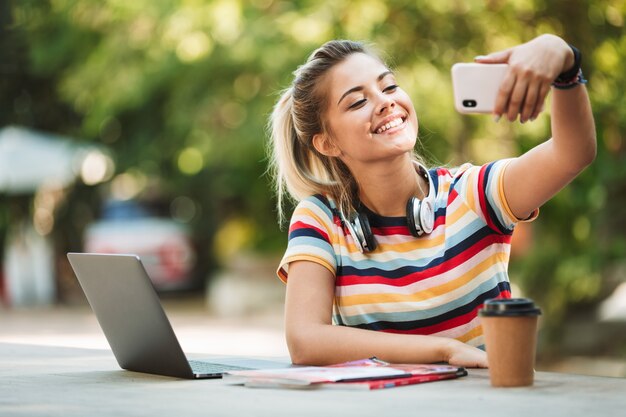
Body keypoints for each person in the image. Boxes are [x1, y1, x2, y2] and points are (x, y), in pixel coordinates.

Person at [267, 34, 596, 368]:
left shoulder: (471, 194)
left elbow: (573, 153)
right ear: (327, 143)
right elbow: (305, 340)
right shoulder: (321, 218)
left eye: (389, 87)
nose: (385, 102)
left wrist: (564, 62)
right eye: (357, 102)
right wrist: (443, 351)